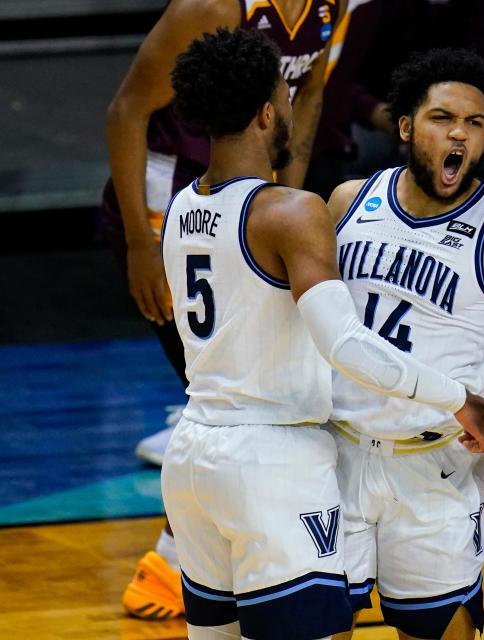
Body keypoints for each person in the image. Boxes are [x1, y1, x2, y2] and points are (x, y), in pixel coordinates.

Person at [158, 28, 484, 639]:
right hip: (271, 460)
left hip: (191, 458)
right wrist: (458, 398)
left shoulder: (182, 207)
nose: (292, 105)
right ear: (267, 113)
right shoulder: (292, 211)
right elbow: (345, 345)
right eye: (285, 96)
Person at [324, 48, 484, 639]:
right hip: (335, 454)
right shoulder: (346, 203)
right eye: (443, 118)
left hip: (434, 464)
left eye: (475, 122)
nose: (459, 133)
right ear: (407, 126)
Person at [103, 0, 343, 619]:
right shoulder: (209, 7)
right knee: (225, 386)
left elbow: (309, 90)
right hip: (173, 212)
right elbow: (126, 109)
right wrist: (138, 241)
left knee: (229, 386)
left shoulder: (330, 7)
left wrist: (282, 196)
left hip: (248, 206)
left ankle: (178, 562)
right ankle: (171, 562)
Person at [306, 0, 484, 212]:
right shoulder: (366, 6)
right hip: (373, 118)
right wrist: (380, 114)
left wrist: (446, 117)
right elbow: (334, 79)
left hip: (451, 112)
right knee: (322, 137)